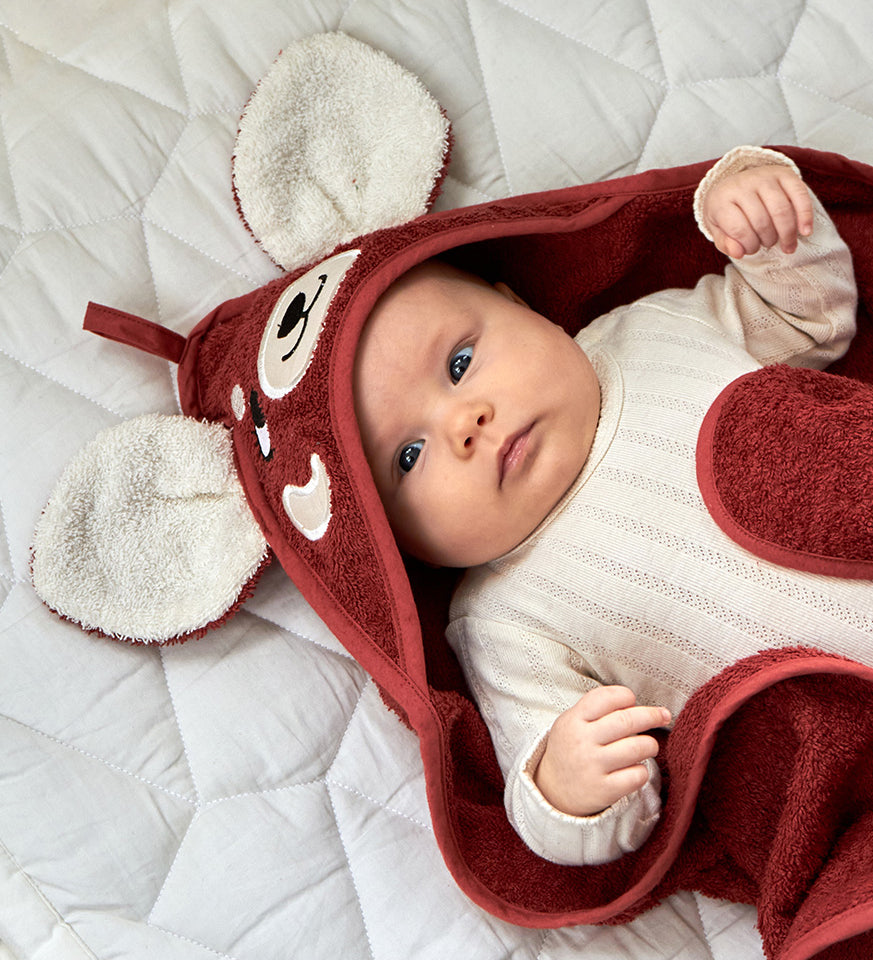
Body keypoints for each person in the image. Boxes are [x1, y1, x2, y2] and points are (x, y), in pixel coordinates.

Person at [353, 145, 870, 866]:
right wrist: (567, 788)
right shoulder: (503, 618)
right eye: (408, 457)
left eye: (460, 363)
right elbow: (549, 802)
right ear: (397, 542)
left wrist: (764, 220)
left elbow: (814, 321)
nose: (463, 422)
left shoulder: (652, 334)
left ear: (520, 306)